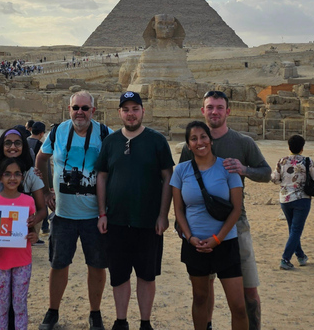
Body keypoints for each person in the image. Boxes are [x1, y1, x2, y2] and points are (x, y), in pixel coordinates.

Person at [179, 90, 271, 330]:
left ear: (228, 111)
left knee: (248, 291)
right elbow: (182, 181)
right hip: (200, 228)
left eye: (220, 107)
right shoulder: (192, 145)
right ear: (203, 111)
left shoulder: (242, 142)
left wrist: (245, 169)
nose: (215, 112)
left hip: (236, 226)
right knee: (203, 290)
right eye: (210, 107)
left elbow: (266, 173)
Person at [96, 91, 173, 330]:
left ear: (143, 111)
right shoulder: (110, 142)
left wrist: (163, 215)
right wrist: (102, 213)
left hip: (148, 222)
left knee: (146, 275)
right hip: (116, 221)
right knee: (118, 275)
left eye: (135, 109)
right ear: (119, 113)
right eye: (126, 110)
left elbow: (168, 177)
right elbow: (102, 176)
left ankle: (145, 322)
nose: (131, 114)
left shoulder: (157, 141)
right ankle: (121, 321)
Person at [36, 91, 111, 330]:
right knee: (58, 265)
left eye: (85, 108)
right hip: (63, 214)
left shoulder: (104, 133)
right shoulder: (58, 132)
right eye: (76, 107)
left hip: (94, 215)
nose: (80, 112)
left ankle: (95, 313)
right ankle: (53, 310)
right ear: (69, 109)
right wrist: (47, 191)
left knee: (97, 266)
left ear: (93, 111)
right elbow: (41, 159)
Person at [172, 121, 247, 330]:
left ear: (211, 140)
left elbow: (236, 209)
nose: (200, 142)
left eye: (203, 137)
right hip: (195, 243)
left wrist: (217, 239)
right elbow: (178, 210)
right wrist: (189, 237)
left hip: (225, 242)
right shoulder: (181, 170)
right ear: (188, 145)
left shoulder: (227, 168)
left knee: (238, 306)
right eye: (194, 139)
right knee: (200, 299)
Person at [0, 155, 38, 330]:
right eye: (7, 174)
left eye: (17, 174)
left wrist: (33, 236)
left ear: (22, 177)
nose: (12, 178)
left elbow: (30, 230)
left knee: (20, 305)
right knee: (2, 305)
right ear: (0, 177)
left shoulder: (29, 201)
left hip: (22, 260)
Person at [271, 135, 314, 270]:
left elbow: (274, 179)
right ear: (302, 148)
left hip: (285, 200)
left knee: (293, 229)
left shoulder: (281, 161)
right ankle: (285, 259)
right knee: (296, 230)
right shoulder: (307, 161)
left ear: (289, 146)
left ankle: (300, 256)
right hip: (302, 199)